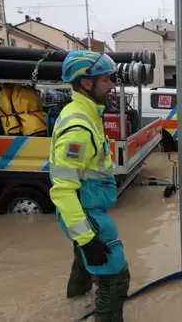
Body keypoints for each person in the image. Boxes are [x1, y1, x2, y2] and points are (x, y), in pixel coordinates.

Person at [49, 51, 130, 321]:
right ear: (86, 83)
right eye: (106, 80)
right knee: (115, 279)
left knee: (85, 262)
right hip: (86, 213)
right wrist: (86, 238)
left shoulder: (85, 113)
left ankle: (74, 301)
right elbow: (62, 190)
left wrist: (83, 241)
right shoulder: (78, 128)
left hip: (88, 209)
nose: (112, 86)